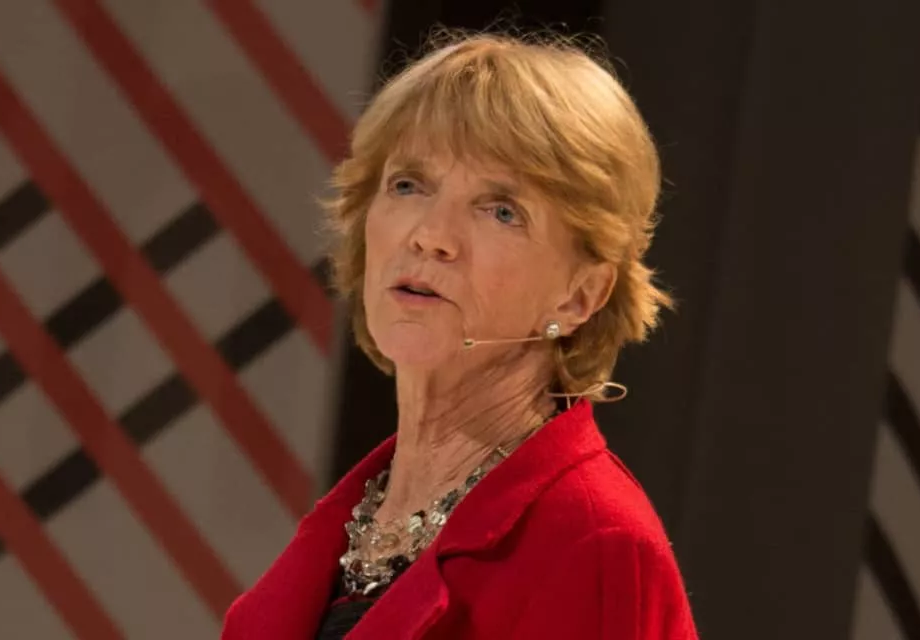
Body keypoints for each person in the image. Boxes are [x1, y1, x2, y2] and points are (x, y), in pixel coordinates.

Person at [220, 30, 698, 639]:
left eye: (501, 210)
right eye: (408, 185)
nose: (430, 235)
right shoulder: (355, 520)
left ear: (580, 296)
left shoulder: (594, 540)